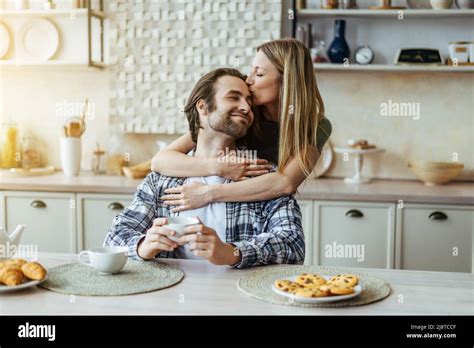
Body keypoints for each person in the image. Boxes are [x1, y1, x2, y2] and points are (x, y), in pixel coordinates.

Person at [104, 68, 305, 268]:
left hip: (240, 297)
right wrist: (143, 245)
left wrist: (232, 252)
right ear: (203, 107)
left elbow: (293, 245)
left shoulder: (262, 174)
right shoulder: (161, 181)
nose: (246, 107)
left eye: (249, 102)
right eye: (234, 98)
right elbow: (114, 238)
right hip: (170, 296)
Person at [152, 38, 332, 213]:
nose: (249, 80)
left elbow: (285, 183)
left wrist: (207, 194)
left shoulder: (316, 126)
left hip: (261, 210)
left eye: (259, 74)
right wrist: (219, 167)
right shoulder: (245, 113)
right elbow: (160, 161)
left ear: (287, 81)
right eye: (251, 70)